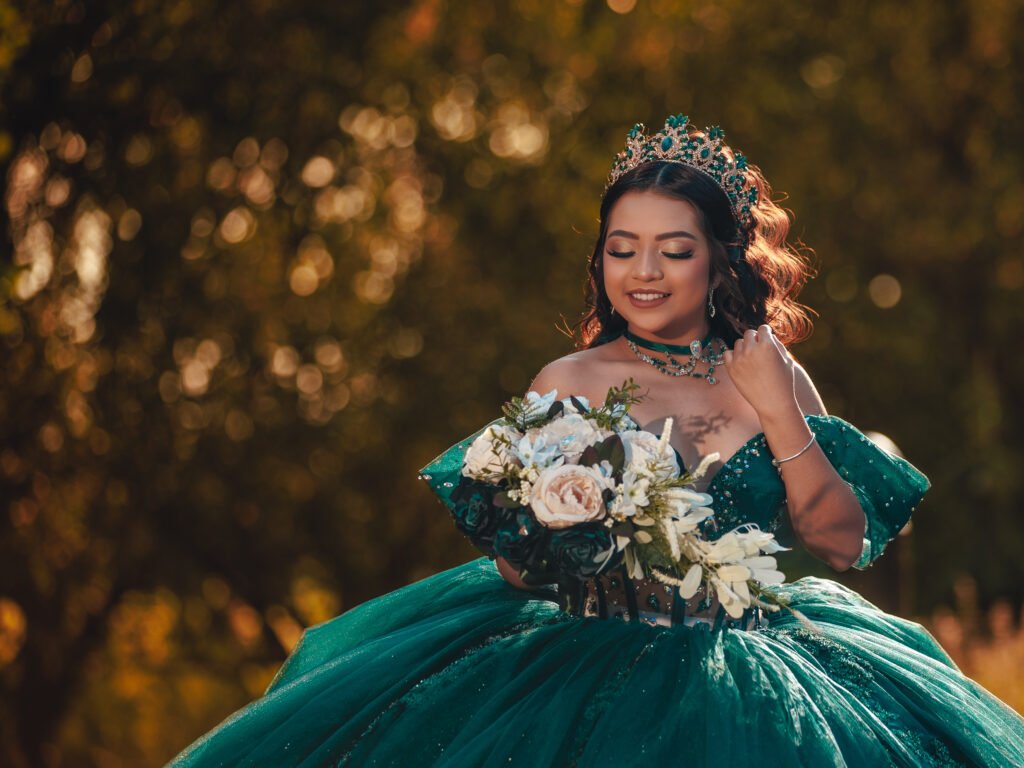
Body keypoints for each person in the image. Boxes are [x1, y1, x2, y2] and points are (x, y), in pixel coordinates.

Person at [170, 115, 1024, 767]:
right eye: (623, 249)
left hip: (755, 675)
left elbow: (841, 544)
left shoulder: (775, 375)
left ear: (722, 262)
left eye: (672, 250)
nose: (643, 273)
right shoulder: (569, 380)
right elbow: (515, 571)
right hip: (577, 672)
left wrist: (780, 411)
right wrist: (560, 523)